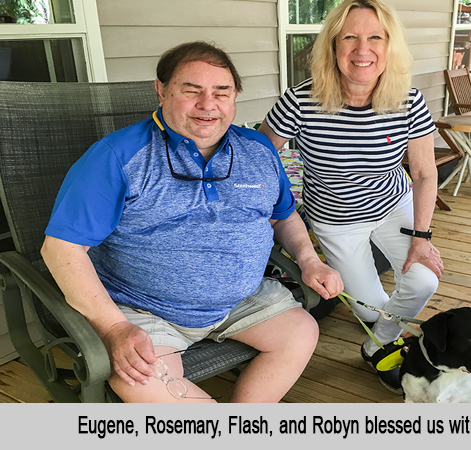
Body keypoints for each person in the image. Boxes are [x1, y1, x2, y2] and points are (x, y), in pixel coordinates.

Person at [41, 41, 343, 403]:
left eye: (221, 92)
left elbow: (283, 215)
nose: (208, 104)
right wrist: (115, 328)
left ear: (234, 97)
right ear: (161, 90)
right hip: (145, 309)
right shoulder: (117, 156)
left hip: (241, 300)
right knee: (138, 376)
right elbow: (61, 248)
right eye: (192, 90)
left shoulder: (259, 149)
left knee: (301, 332)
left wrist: (309, 260)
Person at [258, 0, 442, 394]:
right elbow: (259, 156)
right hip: (336, 218)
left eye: (375, 37)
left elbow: (425, 172)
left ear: (389, 45)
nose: (363, 50)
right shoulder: (300, 100)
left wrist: (422, 238)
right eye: (350, 38)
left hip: (394, 205)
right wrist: (273, 206)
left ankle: (378, 344)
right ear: (333, 45)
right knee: (365, 307)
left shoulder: (408, 100)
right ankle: (386, 337)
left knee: (424, 280)